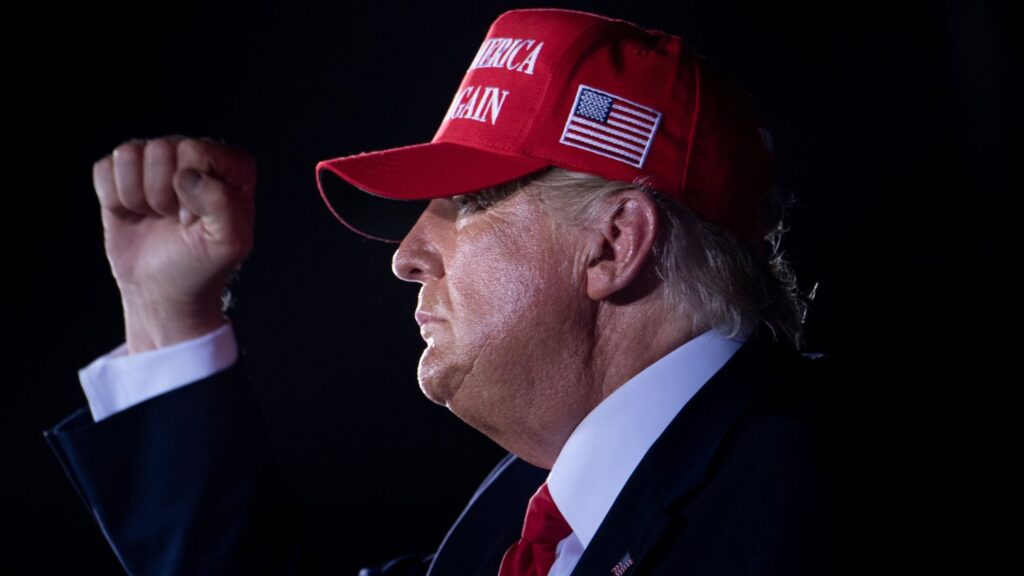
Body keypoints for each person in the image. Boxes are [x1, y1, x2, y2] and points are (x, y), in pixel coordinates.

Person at [45, 7, 881, 575]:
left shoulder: (827, 498)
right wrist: (169, 313)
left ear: (617, 242)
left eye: (470, 203)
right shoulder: (533, 502)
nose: (407, 254)